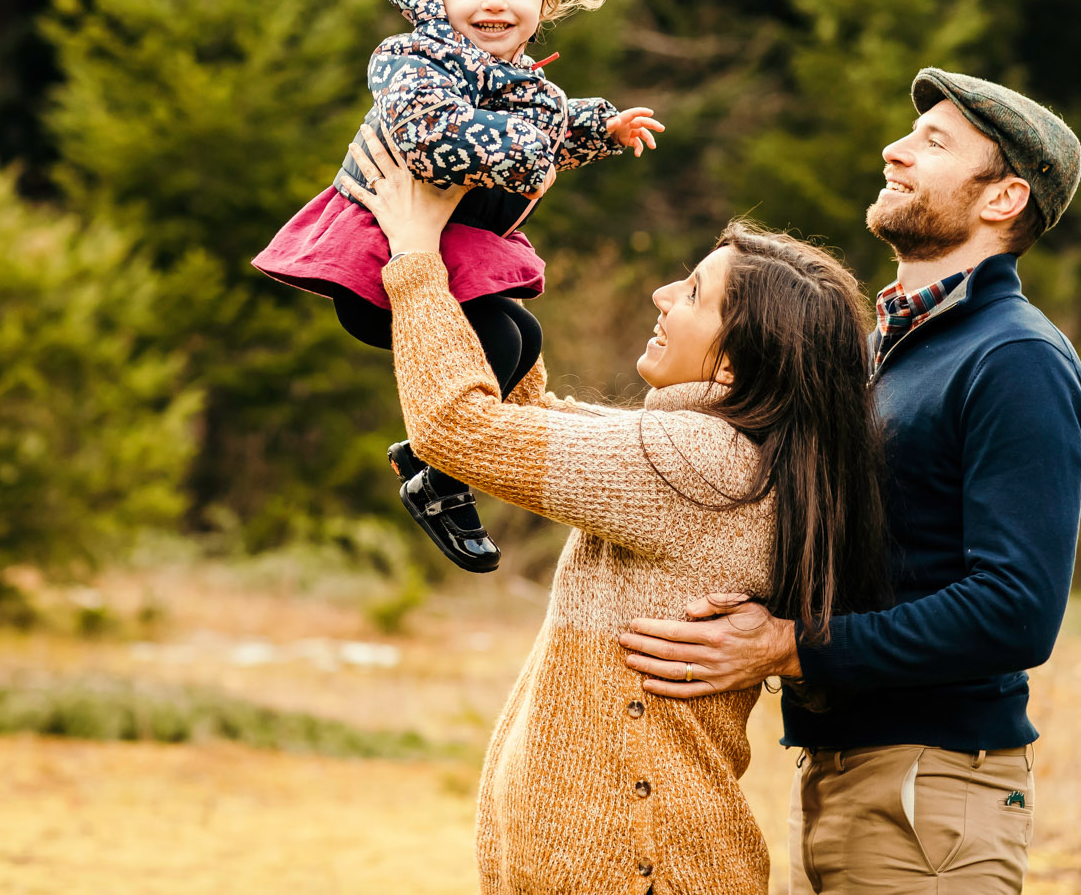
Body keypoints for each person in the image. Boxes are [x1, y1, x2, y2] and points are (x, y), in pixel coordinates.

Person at [338, 123, 889, 895]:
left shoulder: (703, 465)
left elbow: (458, 431)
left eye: (694, 291)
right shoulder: (712, 453)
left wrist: (416, 256)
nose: (664, 295)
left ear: (735, 358)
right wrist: (483, 261)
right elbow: (542, 422)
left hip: (648, 872)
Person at [616, 69, 1081, 895]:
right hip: (843, 773)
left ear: (1004, 198)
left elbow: (1017, 609)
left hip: (933, 787)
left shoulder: (1015, 359)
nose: (895, 150)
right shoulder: (884, 352)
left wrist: (791, 643)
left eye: (934, 143)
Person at [253, 0, 663, 573]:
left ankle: (426, 458)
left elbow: (550, 126)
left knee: (522, 339)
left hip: (444, 257)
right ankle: (438, 475)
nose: (493, 4)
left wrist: (601, 128)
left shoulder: (520, 80)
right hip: (380, 260)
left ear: (544, 1)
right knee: (504, 340)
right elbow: (432, 135)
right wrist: (530, 147)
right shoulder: (415, 60)